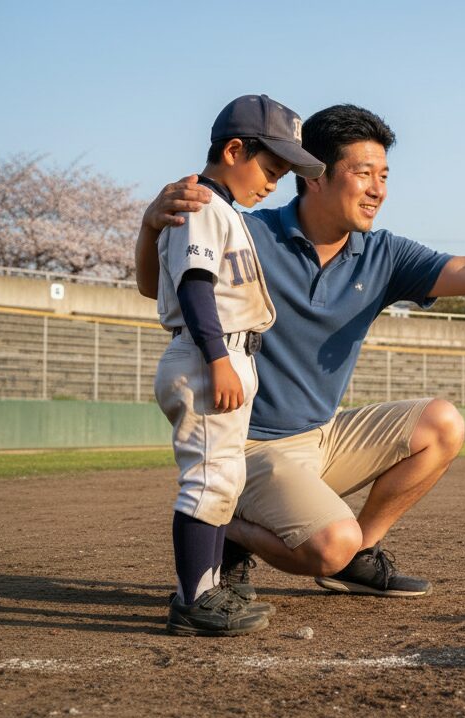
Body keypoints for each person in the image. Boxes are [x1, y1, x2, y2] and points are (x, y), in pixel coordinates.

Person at [136, 103, 465, 609]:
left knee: (442, 424)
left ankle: (359, 556)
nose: (378, 189)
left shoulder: (382, 254)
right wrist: (151, 226)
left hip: (322, 435)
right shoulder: (248, 232)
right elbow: (159, 288)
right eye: (363, 173)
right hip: (249, 447)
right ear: (315, 176)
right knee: (329, 545)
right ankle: (228, 529)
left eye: (385, 175)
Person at [154, 95, 325, 636]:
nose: (274, 184)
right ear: (234, 150)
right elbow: (195, 286)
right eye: (270, 168)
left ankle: (208, 588)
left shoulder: (220, 209)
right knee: (208, 479)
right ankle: (194, 599)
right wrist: (218, 358)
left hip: (223, 350)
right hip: (210, 352)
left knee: (223, 478)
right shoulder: (203, 204)